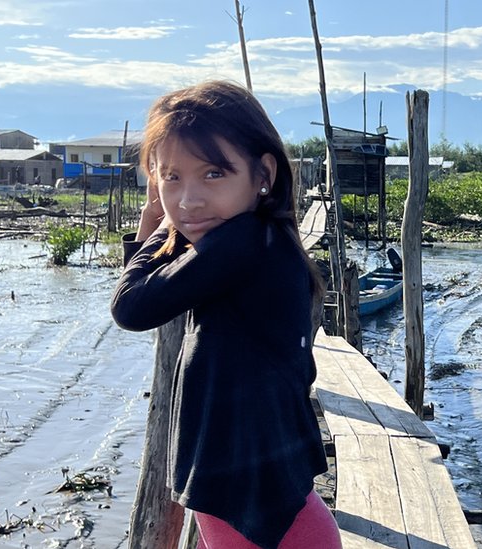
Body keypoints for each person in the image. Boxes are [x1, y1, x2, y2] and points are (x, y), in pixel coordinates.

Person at [110, 80, 341, 549]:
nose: (188, 199)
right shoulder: (265, 239)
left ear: (264, 174)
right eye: (171, 178)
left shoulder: (241, 243)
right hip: (266, 489)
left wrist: (156, 226)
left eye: (213, 173)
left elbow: (130, 306)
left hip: (250, 498)